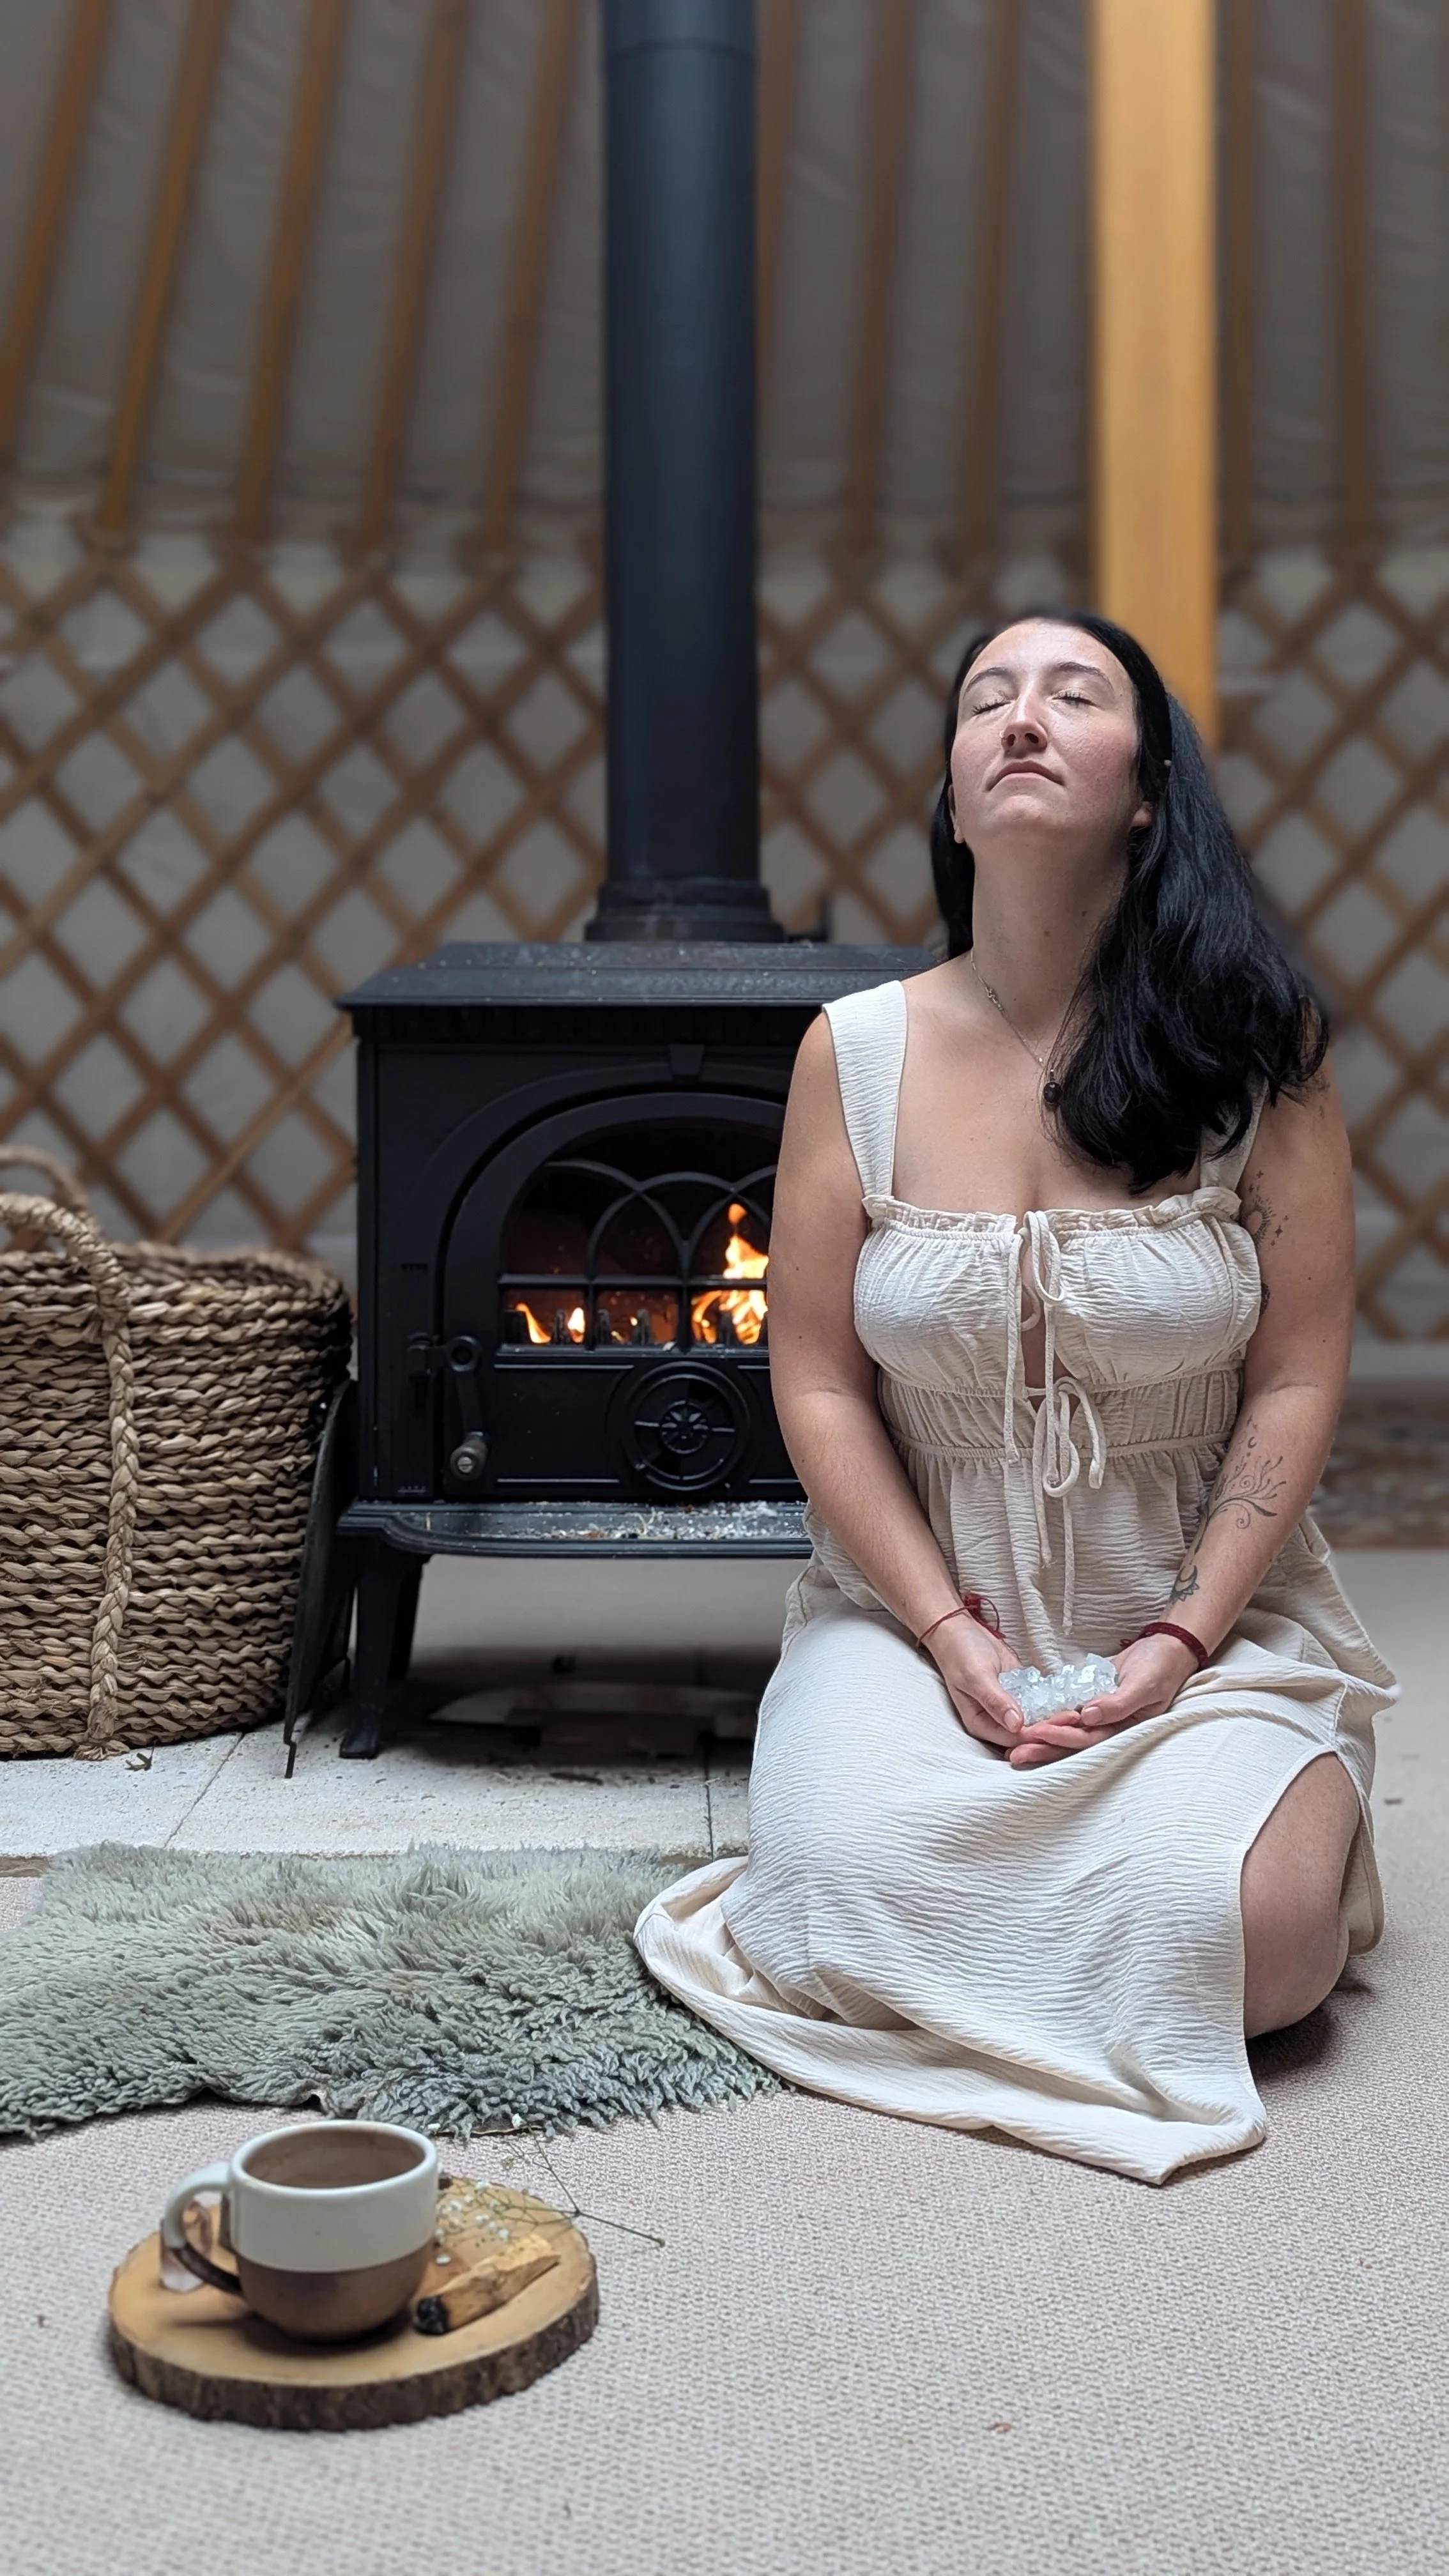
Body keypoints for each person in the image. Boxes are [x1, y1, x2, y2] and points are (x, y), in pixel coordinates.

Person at [634, 610, 1396, 2184]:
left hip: (1205, 1624)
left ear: (1147, 787)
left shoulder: (1261, 1055)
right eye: (986, 700)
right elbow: (823, 1380)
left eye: (1074, 693)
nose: (1022, 718)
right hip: (920, 1612)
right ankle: (1058, 1906)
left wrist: (1182, 1636)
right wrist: (948, 1628)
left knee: (1265, 1950)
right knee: (824, 1891)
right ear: (955, 795)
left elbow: (1299, 1376)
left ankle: (1223, 1839)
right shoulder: (854, 1052)